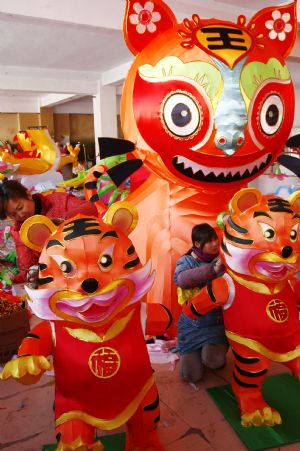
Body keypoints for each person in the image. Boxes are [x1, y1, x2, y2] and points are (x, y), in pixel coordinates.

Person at [0, 179, 98, 283]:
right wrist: (32, 272)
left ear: (28, 195)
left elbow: (91, 209)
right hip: (65, 276)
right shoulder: (20, 231)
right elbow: (27, 266)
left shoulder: (57, 200)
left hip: (91, 258)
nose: (20, 215)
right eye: (13, 215)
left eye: (20, 207)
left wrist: (61, 222)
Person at [174, 223, 228, 384]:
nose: (214, 244)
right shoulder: (187, 260)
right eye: (209, 241)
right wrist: (213, 270)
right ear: (197, 244)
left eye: (215, 240)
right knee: (190, 376)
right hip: (192, 325)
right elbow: (181, 279)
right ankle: (192, 353)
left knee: (214, 361)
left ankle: (214, 353)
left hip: (215, 324)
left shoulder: (223, 260)